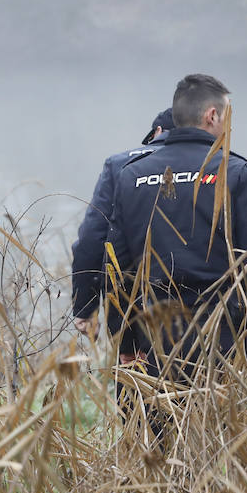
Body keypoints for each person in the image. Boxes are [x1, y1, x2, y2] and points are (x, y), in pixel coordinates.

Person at [105, 74, 247, 391]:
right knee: (234, 438)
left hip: (156, 345)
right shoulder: (236, 172)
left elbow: (117, 269)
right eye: (227, 118)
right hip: (226, 345)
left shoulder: (132, 177)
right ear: (212, 116)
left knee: (162, 438)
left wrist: (126, 341)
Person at [70, 108, 173, 351]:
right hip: (206, 312)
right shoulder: (217, 163)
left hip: (133, 312)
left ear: (157, 132)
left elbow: (92, 240)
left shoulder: (120, 165)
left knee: (135, 383)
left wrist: (86, 307)